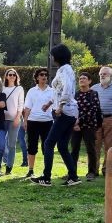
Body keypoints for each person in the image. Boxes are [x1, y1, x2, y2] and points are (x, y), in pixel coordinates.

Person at [32, 44, 80, 187]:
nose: (51, 57)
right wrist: (50, 103)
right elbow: (58, 91)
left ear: (58, 56)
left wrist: (60, 106)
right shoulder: (66, 70)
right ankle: (73, 177)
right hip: (69, 112)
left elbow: (67, 90)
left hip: (64, 112)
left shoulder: (64, 70)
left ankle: (46, 178)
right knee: (63, 146)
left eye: (52, 55)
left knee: (48, 143)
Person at [23, 68, 54, 178]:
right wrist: (25, 121)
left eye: (46, 74)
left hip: (48, 122)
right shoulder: (32, 91)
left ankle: (46, 171)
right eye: (41, 74)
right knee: (32, 146)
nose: (44, 76)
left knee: (47, 147)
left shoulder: (52, 91)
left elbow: (55, 107)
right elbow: (27, 107)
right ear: (37, 77)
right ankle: (30, 170)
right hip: (33, 122)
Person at [70, 72, 102, 181]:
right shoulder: (76, 94)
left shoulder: (93, 94)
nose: (81, 80)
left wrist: (79, 121)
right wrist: (74, 123)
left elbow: (93, 110)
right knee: (74, 148)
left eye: (84, 78)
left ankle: (92, 172)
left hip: (89, 125)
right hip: (75, 126)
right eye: (80, 78)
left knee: (90, 149)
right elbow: (71, 109)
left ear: (89, 81)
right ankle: (72, 172)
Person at [2, 68, 25, 175]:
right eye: (10, 74)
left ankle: (9, 166)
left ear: (16, 77)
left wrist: (17, 118)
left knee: (11, 144)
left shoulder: (19, 89)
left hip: (14, 120)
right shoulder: (1, 88)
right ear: (6, 76)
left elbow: (21, 105)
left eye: (14, 75)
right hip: (2, 120)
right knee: (0, 143)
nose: (12, 76)